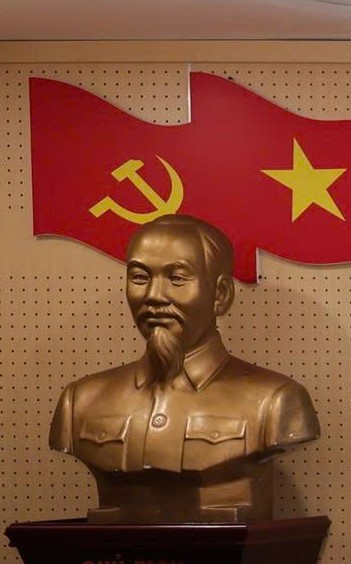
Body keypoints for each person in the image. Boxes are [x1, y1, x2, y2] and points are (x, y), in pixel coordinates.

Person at [50, 213, 319, 523]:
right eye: (140, 277)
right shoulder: (80, 401)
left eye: (177, 278)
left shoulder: (275, 401)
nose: (153, 295)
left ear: (220, 295)